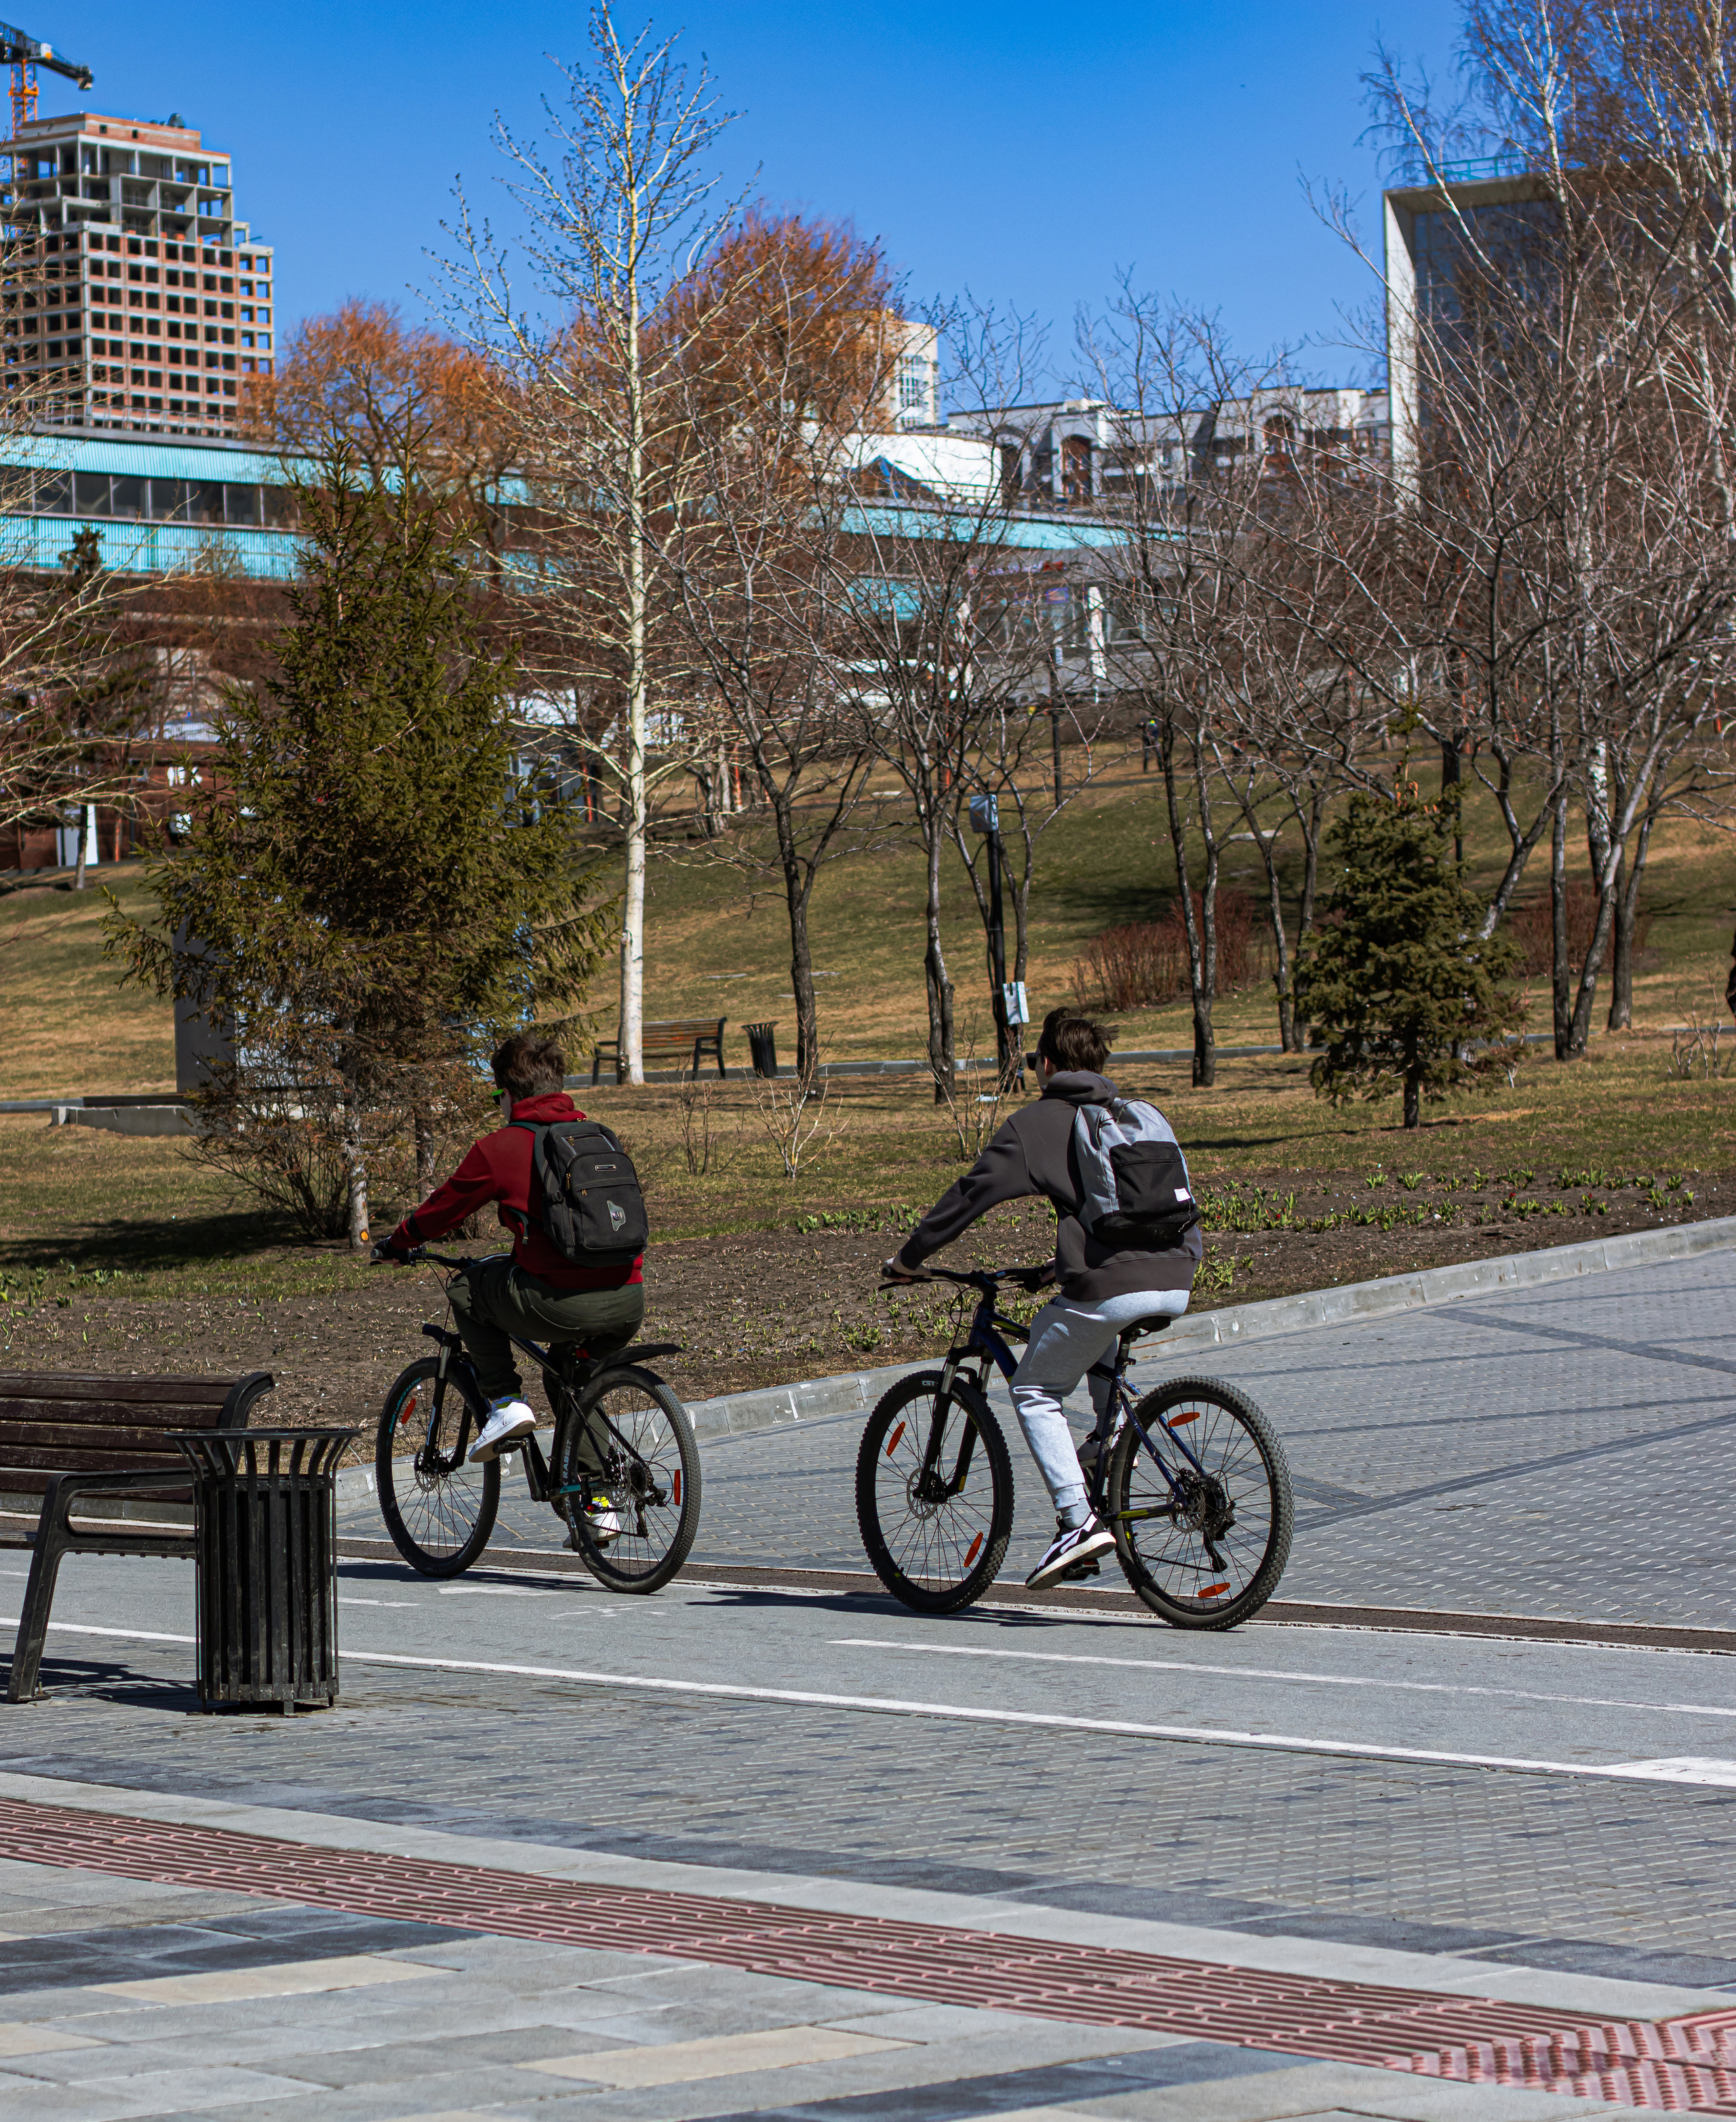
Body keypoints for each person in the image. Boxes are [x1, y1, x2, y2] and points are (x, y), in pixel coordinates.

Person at [883, 1008, 1201, 1589]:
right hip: (1178, 1274)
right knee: (1096, 1344)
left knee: (1034, 1388)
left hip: (1114, 1287)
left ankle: (1078, 1522)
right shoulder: (1136, 1116)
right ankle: (1108, 1456)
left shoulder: (1037, 1123)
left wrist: (909, 1259)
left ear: (1047, 1063)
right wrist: (1059, 1267)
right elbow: (1121, 1215)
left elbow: (969, 1196)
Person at [374, 1031, 645, 1470]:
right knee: (573, 1376)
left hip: (560, 1304)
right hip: (628, 1300)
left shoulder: (503, 1146)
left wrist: (397, 1242)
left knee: (466, 1289)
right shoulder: (599, 1136)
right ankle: (597, 1505)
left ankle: (505, 1402)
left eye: (497, 1093)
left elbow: (443, 1209)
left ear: (510, 1092)